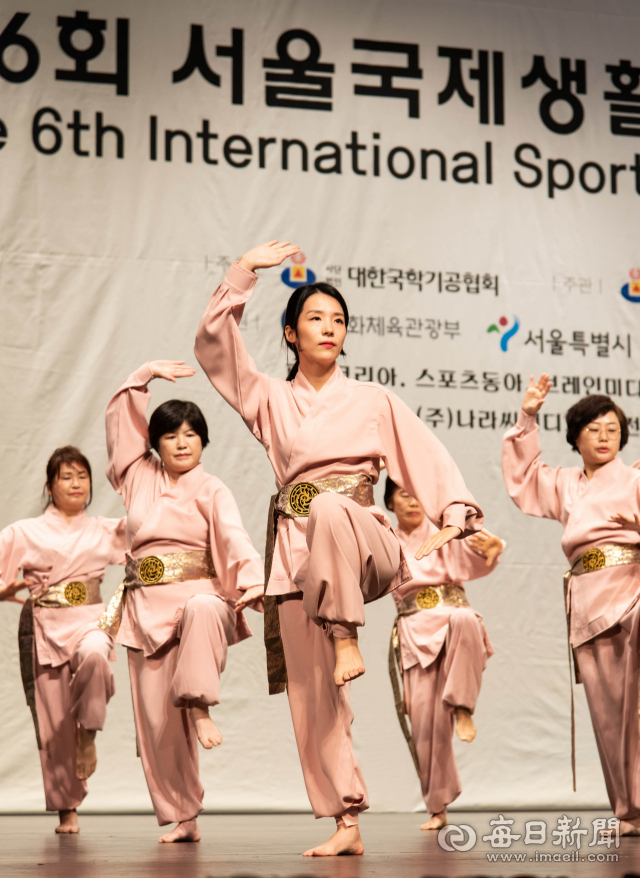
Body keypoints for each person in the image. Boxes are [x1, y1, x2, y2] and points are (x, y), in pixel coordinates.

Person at [194, 240, 483, 856]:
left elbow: (424, 455)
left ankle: (346, 634)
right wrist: (243, 272)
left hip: (364, 545)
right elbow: (216, 349)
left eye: (339, 320)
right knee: (313, 700)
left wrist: (455, 513)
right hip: (298, 560)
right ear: (292, 334)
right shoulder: (269, 398)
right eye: (316, 319)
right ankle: (345, 819)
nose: (330, 328)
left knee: (328, 505)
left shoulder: (372, 399)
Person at [102, 360, 264, 843]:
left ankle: (198, 704)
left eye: (192, 434)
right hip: (144, 608)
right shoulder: (136, 475)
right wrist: (139, 377)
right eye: (172, 434)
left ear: (203, 442)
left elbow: (234, 537)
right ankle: (184, 817)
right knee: (156, 726)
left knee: (201, 608)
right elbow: (119, 427)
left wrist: (252, 579)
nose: (182, 442)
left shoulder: (212, 488)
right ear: (155, 442)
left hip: (201, 602)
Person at [502, 375, 640, 835]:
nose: (605, 437)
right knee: (607, 710)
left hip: (633, 588)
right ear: (576, 437)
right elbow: (523, 478)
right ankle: (629, 810)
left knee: (636, 703)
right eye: (595, 429)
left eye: (613, 430)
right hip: (588, 599)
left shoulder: (636, 479)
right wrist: (528, 415)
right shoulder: (565, 485)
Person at [0, 446, 125, 834]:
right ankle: (67, 809)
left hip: (90, 619)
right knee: (53, 723)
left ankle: (88, 731)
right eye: (66, 476)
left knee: (94, 655)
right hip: (41, 625)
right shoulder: (24, 531)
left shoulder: (106, 528)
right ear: (50, 485)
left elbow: (154, 543)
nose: (76, 483)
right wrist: (5, 588)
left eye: (82, 476)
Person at [384, 477, 503, 831]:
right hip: (413, 629)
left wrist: (492, 550)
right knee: (426, 724)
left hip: (452, 618)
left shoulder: (442, 530)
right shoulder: (385, 536)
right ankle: (437, 808)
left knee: (466, 617)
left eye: (416, 494)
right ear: (389, 504)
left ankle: (464, 706)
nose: (412, 502)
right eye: (403, 495)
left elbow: (476, 549)